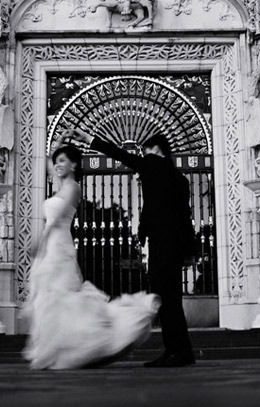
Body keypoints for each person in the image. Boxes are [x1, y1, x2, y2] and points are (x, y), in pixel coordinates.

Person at [22, 137, 159, 370]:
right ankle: (56, 346)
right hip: (52, 244)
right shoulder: (59, 184)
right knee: (50, 296)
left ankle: (89, 341)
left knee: (61, 294)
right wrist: (58, 145)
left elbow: (55, 221)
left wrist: (40, 243)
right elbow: (47, 163)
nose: (57, 164)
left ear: (74, 165)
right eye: (57, 162)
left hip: (58, 244)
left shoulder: (73, 187)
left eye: (63, 161)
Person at [70, 129, 197, 368]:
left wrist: (88, 140)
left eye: (145, 151)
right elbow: (185, 216)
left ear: (155, 150)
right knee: (172, 299)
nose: (142, 156)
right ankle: (180, 351)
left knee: (164, 298)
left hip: (162, 244)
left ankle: (177, 351)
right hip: (176, 245)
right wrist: (191, 251)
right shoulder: (180, 179)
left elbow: (119, 154)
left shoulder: (151, 164)